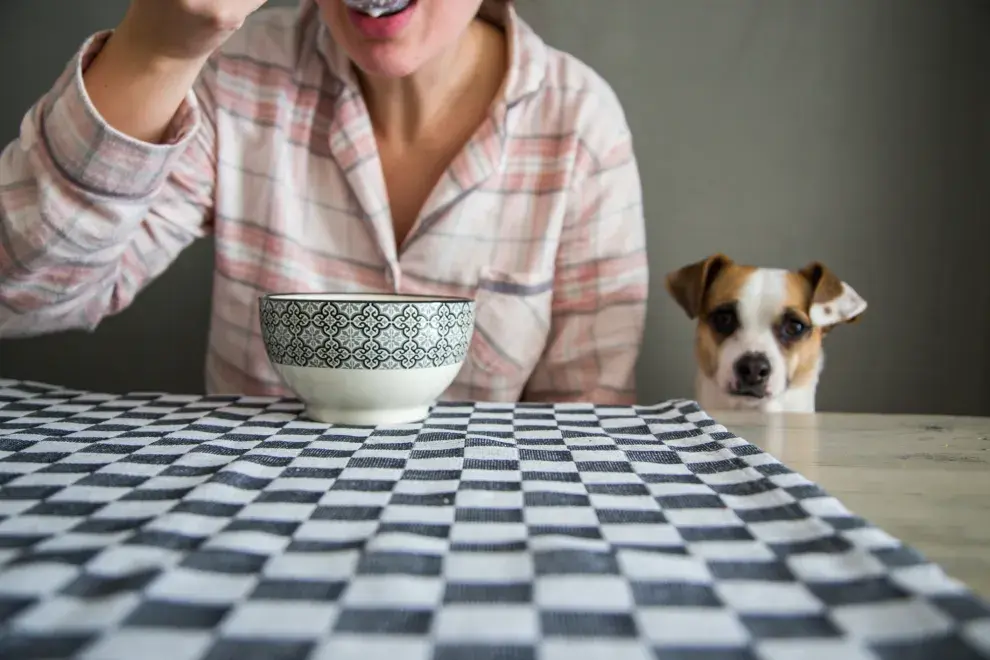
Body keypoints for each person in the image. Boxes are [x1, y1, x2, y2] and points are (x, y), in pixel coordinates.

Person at [0, 0, 649, 404]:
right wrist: (154, 52)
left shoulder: (579, 128)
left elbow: (583, 435)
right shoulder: (235, 76)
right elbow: (22, 297)